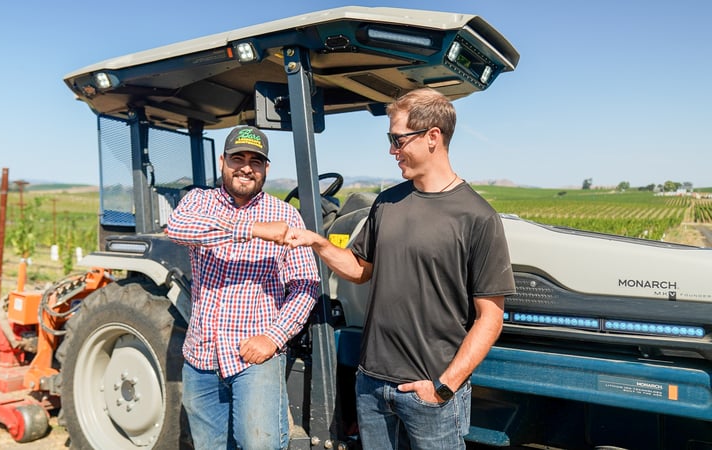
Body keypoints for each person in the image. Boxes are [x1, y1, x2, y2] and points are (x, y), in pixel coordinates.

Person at [286, 88, 516, 449]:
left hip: (431, 393)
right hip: (371, 385)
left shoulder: (477, 217)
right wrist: (320, 243)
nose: (392, 150)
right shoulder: (387, 202)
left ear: (433, 137)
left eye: (397, 139)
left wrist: (443, 388)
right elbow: (360, 269)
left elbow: (490, 317)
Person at [165, 125, 320, 450]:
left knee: (259, 444)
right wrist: (252, 229)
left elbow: (307, 285)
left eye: (256, 160)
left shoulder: (286, 214)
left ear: (266, 168)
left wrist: (273, 337)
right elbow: (177, 228)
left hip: (254, 357)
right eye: (238, 158)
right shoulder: (199, 201)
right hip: (201, 356)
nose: (246, 167)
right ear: (223, 160)